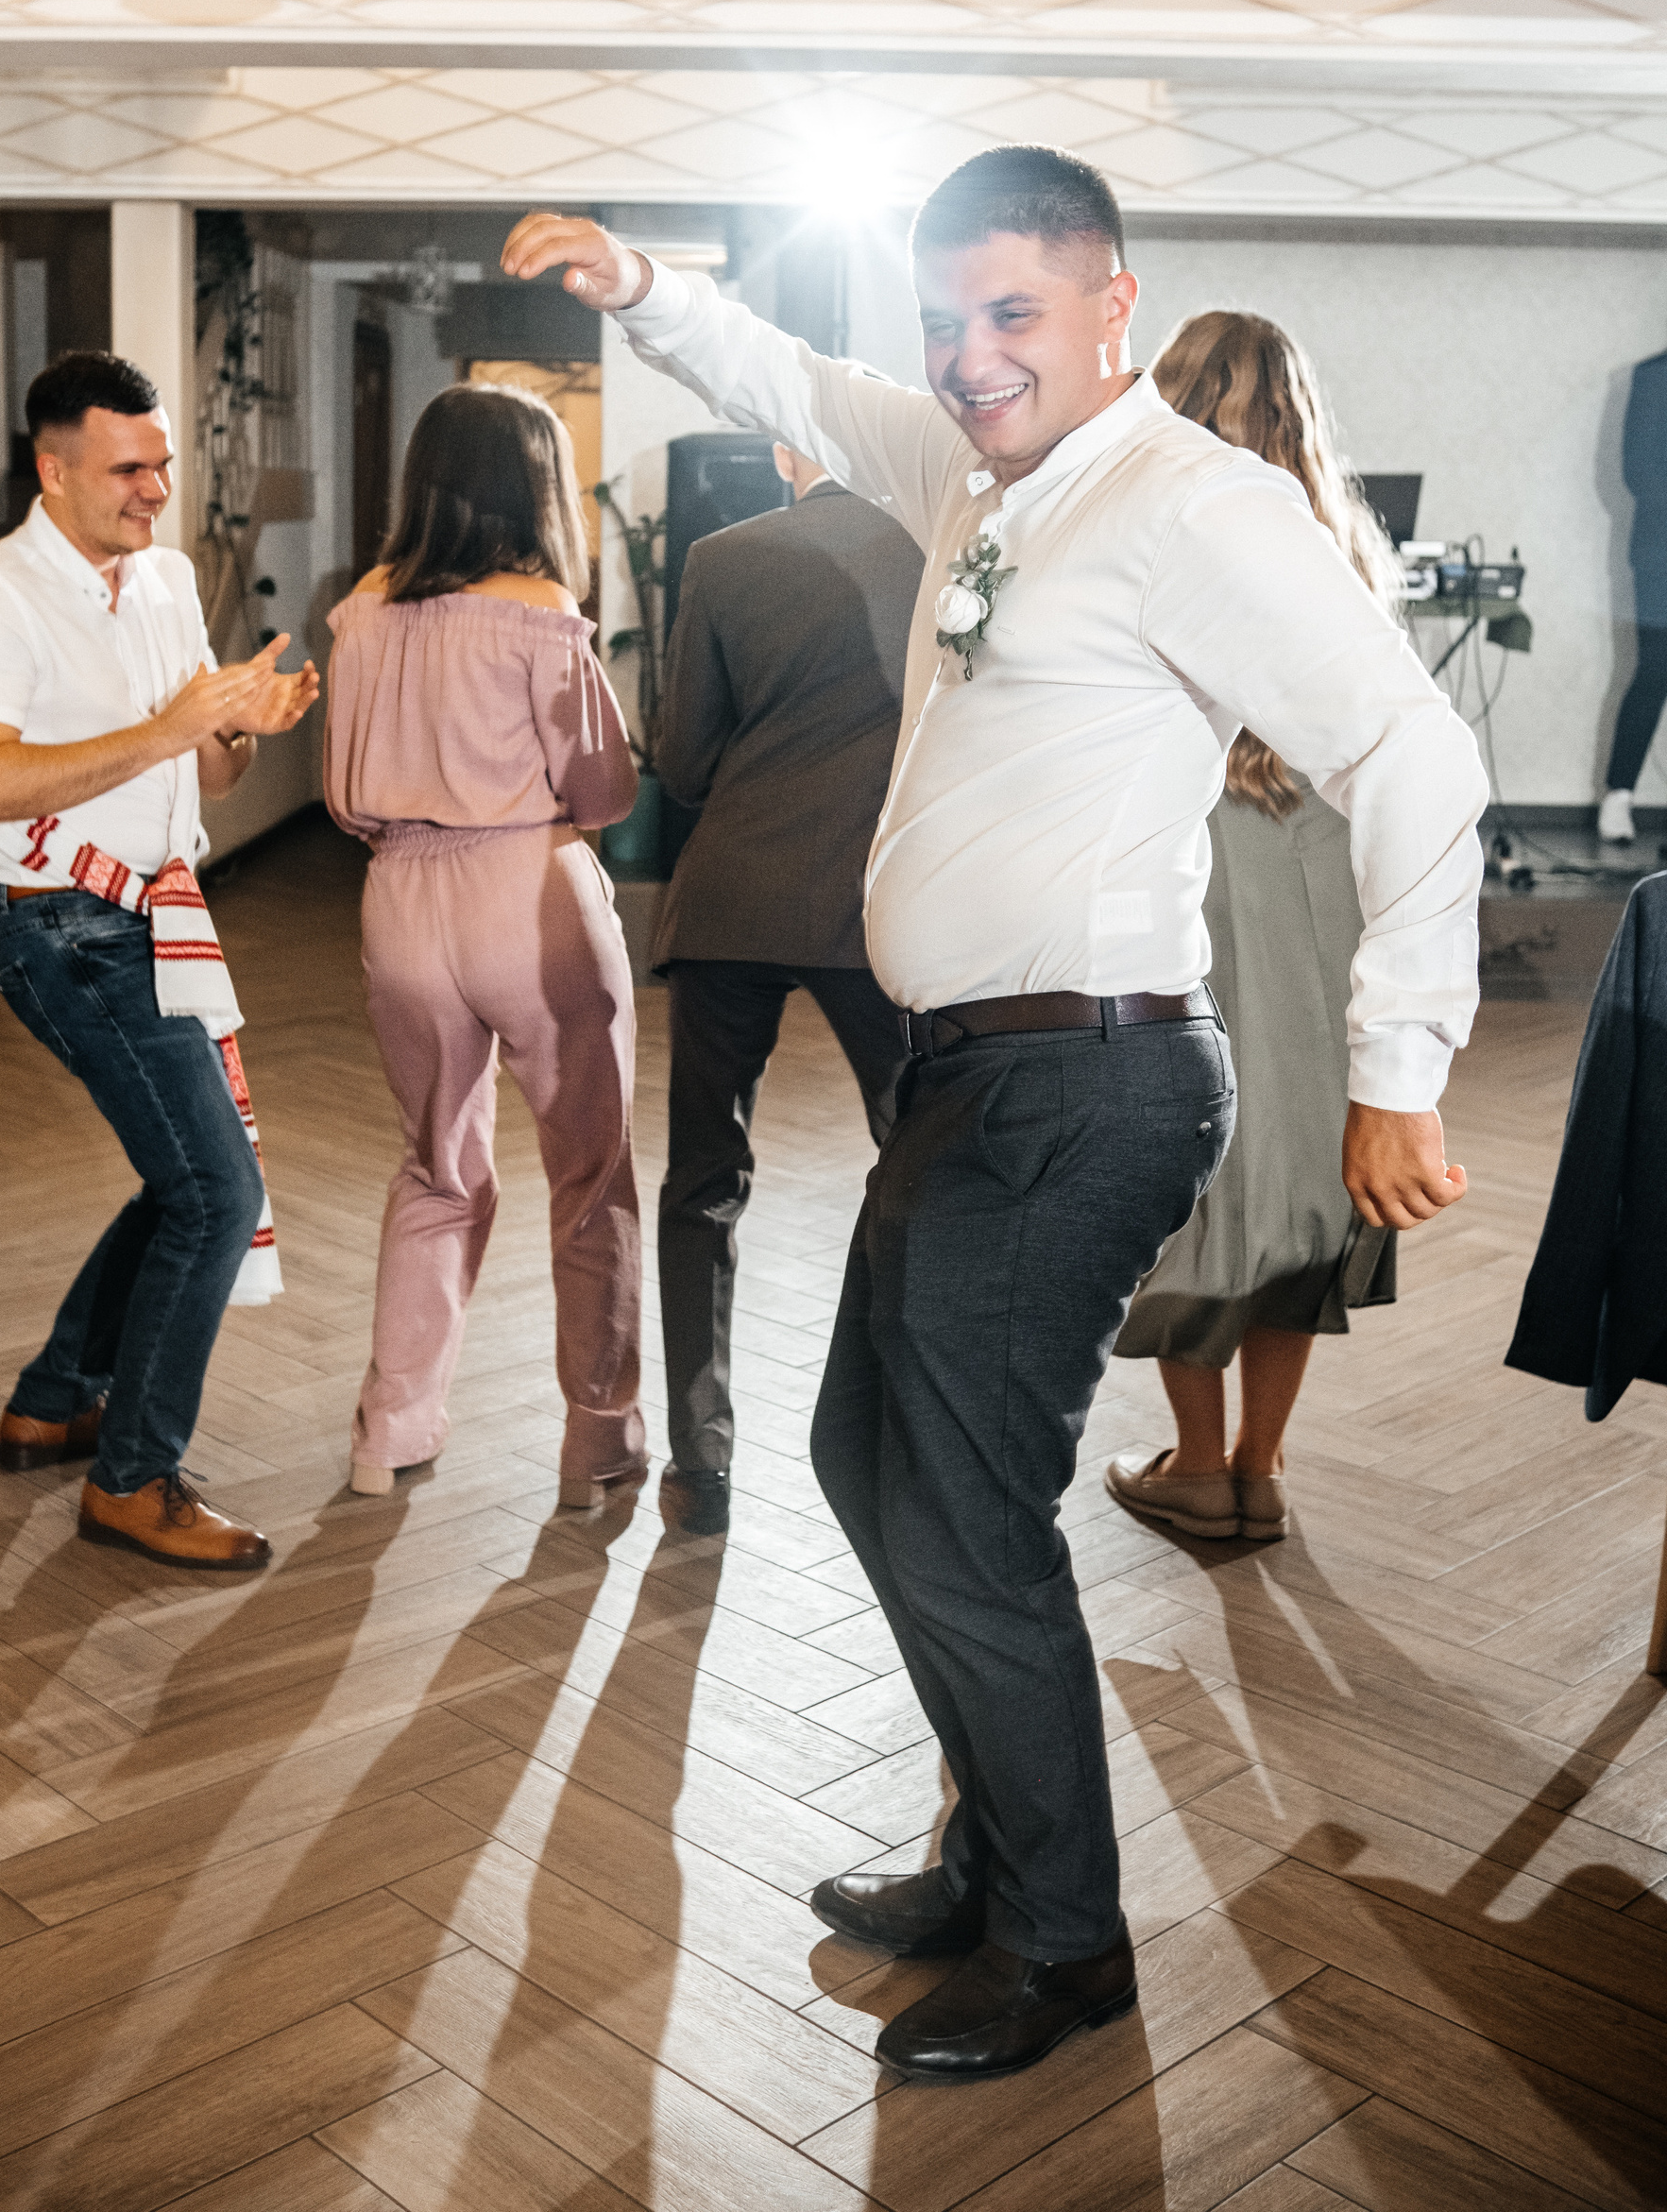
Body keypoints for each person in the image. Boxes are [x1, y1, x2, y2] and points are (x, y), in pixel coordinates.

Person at [501, 149, 1486, 2085]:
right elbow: (799, 381)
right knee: (868, 1458)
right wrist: (641, 289)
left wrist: (1399, 1072)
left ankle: (1065, 1940)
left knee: (963, 1511)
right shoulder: (978, 470)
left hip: (1087, 1082)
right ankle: (994, 1858)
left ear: (1116, 305)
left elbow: (1416, 757)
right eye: (945, 319)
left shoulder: (1190, 503)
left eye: (1012, 313)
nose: (968, 355)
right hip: (969, 1076)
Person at [0, 351, 318, 1571]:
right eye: (128, 468)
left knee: (185, 1178)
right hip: (60, 928)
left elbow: (211, 773)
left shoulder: (169, 578)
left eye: (162, 464)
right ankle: (133, 1480)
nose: (156, 488)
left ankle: (55, 1400)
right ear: (53, 472)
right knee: (214, 1192)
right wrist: (168, 729)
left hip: (157, 918)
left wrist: (238, 728)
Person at [1102, 312, 1406, 1545]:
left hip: (1194, 862)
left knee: (1191, 1157)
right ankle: (1261, 1466)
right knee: (1300, 1169)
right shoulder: (1349, 557)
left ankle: (1197, 1460)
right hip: (1324, 871)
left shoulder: (1148, 531)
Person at [323, 382, 646, 1508]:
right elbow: (604, 793)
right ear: (535, 486)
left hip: (400, 900)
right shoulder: (541, 609)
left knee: (436, 1167)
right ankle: (597, 1435)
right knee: (590, 1173)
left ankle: (391, 1431)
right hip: (528, 896)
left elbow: (341, 797)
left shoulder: (361, 611)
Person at [652, 440, 924, 1535]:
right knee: (919, 1165)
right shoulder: (936, 547)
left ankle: (701, 1462)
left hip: (731, 902)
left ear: (780, 448)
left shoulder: (723, 558)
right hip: (877, 909)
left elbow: (682, 764)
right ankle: (910, 1431)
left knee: (702, 1181)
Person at [1599, 344, 1667, 844]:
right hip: (1661, 552)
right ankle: (1618, 795)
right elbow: (1636, 473)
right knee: (1654, 670)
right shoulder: (1651, 376)